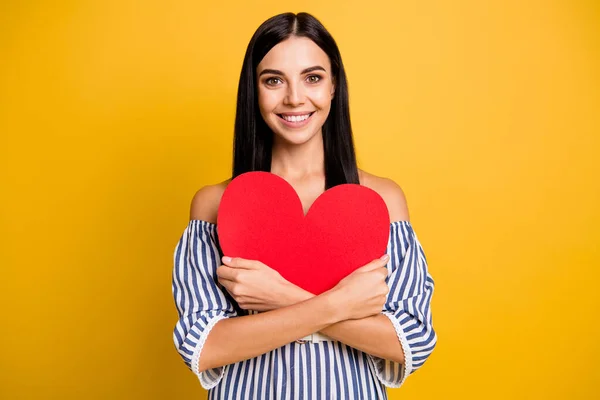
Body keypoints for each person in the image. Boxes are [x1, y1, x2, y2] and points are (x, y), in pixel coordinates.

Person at [172, 12, 436, 399]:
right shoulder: (215, 204)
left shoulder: (381, 200)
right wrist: (343, 304)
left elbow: (408, 342)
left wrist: (280, 296)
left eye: (312, 78)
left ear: (333, 87)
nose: (295, 97)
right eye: (274, 80)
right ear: (254, 91)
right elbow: (204, 346)